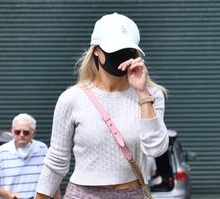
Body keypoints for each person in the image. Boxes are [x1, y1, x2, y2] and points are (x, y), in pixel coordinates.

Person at [35, 12, 169, 199]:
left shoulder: (151, 94)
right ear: (96, 50)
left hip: (133, 193)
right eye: (113, 50)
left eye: (127, 50)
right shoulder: (72, 98)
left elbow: (156, 149)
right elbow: (57, 160)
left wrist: (142, 93)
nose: (120, 56)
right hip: (84, 194)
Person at [0, 114, 54, 199]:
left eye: (26, 132)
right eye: (17, 132)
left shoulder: (43, 149)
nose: (21, 135)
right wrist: (8, 194)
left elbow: (52, 180)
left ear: (33, 133)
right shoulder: (1, 152)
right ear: (12, 132)